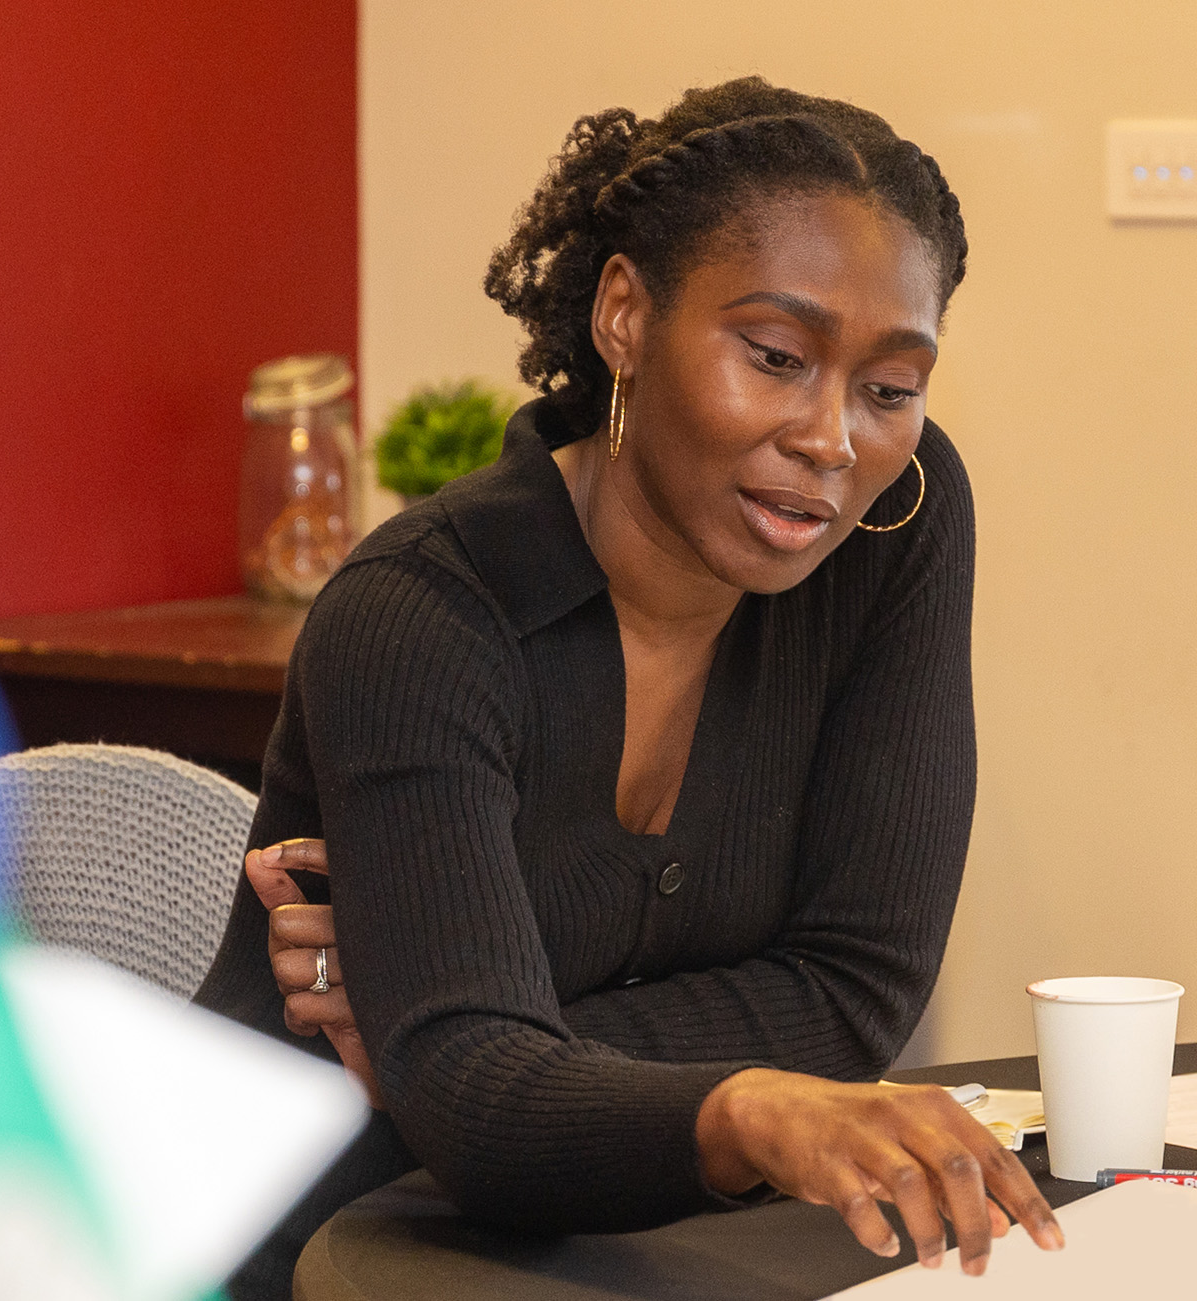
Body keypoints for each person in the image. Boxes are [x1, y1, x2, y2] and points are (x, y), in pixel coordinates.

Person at [194, 77, 1066, 1299]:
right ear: (622, 314)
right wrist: (703, 1095)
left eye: (887, 388)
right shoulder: (418, 614)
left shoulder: (893, 529)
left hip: (611, 1249)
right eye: (773, 356)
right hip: (302, 1250)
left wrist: (476, 1053)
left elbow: (854, 986)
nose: (832, 439)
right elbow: (478, 1102)